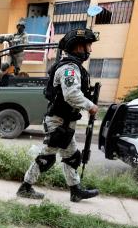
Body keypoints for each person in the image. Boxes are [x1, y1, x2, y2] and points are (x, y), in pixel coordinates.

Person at [17, 28, 100, 203]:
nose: (90, 50)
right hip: (58, 121)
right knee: (47, 156)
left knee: (72, 157)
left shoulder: (74, 67)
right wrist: (90, 106)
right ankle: (25, 187)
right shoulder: (69, 68)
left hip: (65, 121)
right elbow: (71, 94)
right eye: (88, 45)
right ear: (78, 47)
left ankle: (76, 191)